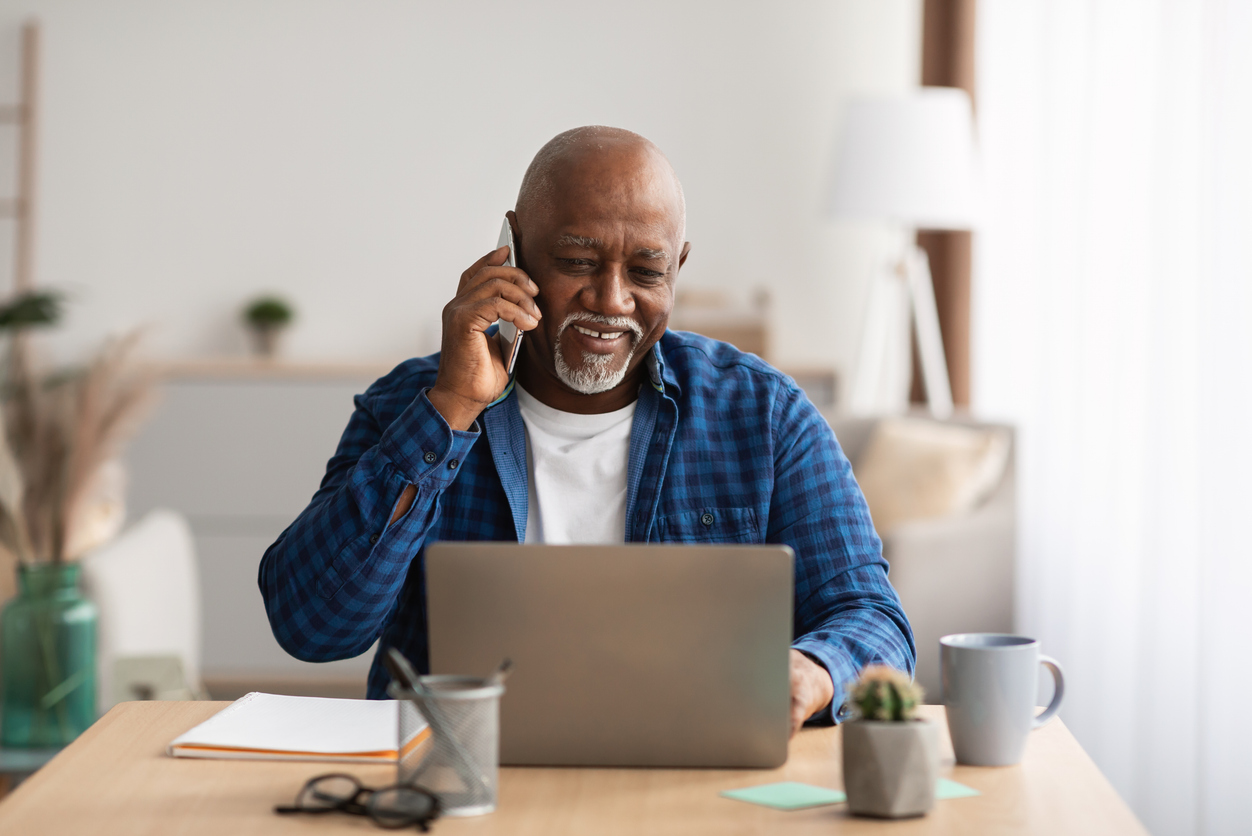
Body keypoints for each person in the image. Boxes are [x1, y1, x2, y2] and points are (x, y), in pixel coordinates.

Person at [259, 126, 914, 734]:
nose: (612, 299)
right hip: (459, 781)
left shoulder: (764, 414)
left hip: (685, 782)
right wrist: (452, 407)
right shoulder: (411, 404)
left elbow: (874, 619)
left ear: (678, 267)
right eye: (577, 261)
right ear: (512, 251)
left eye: (646, 271)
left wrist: (816, 669)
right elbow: (312, 627)